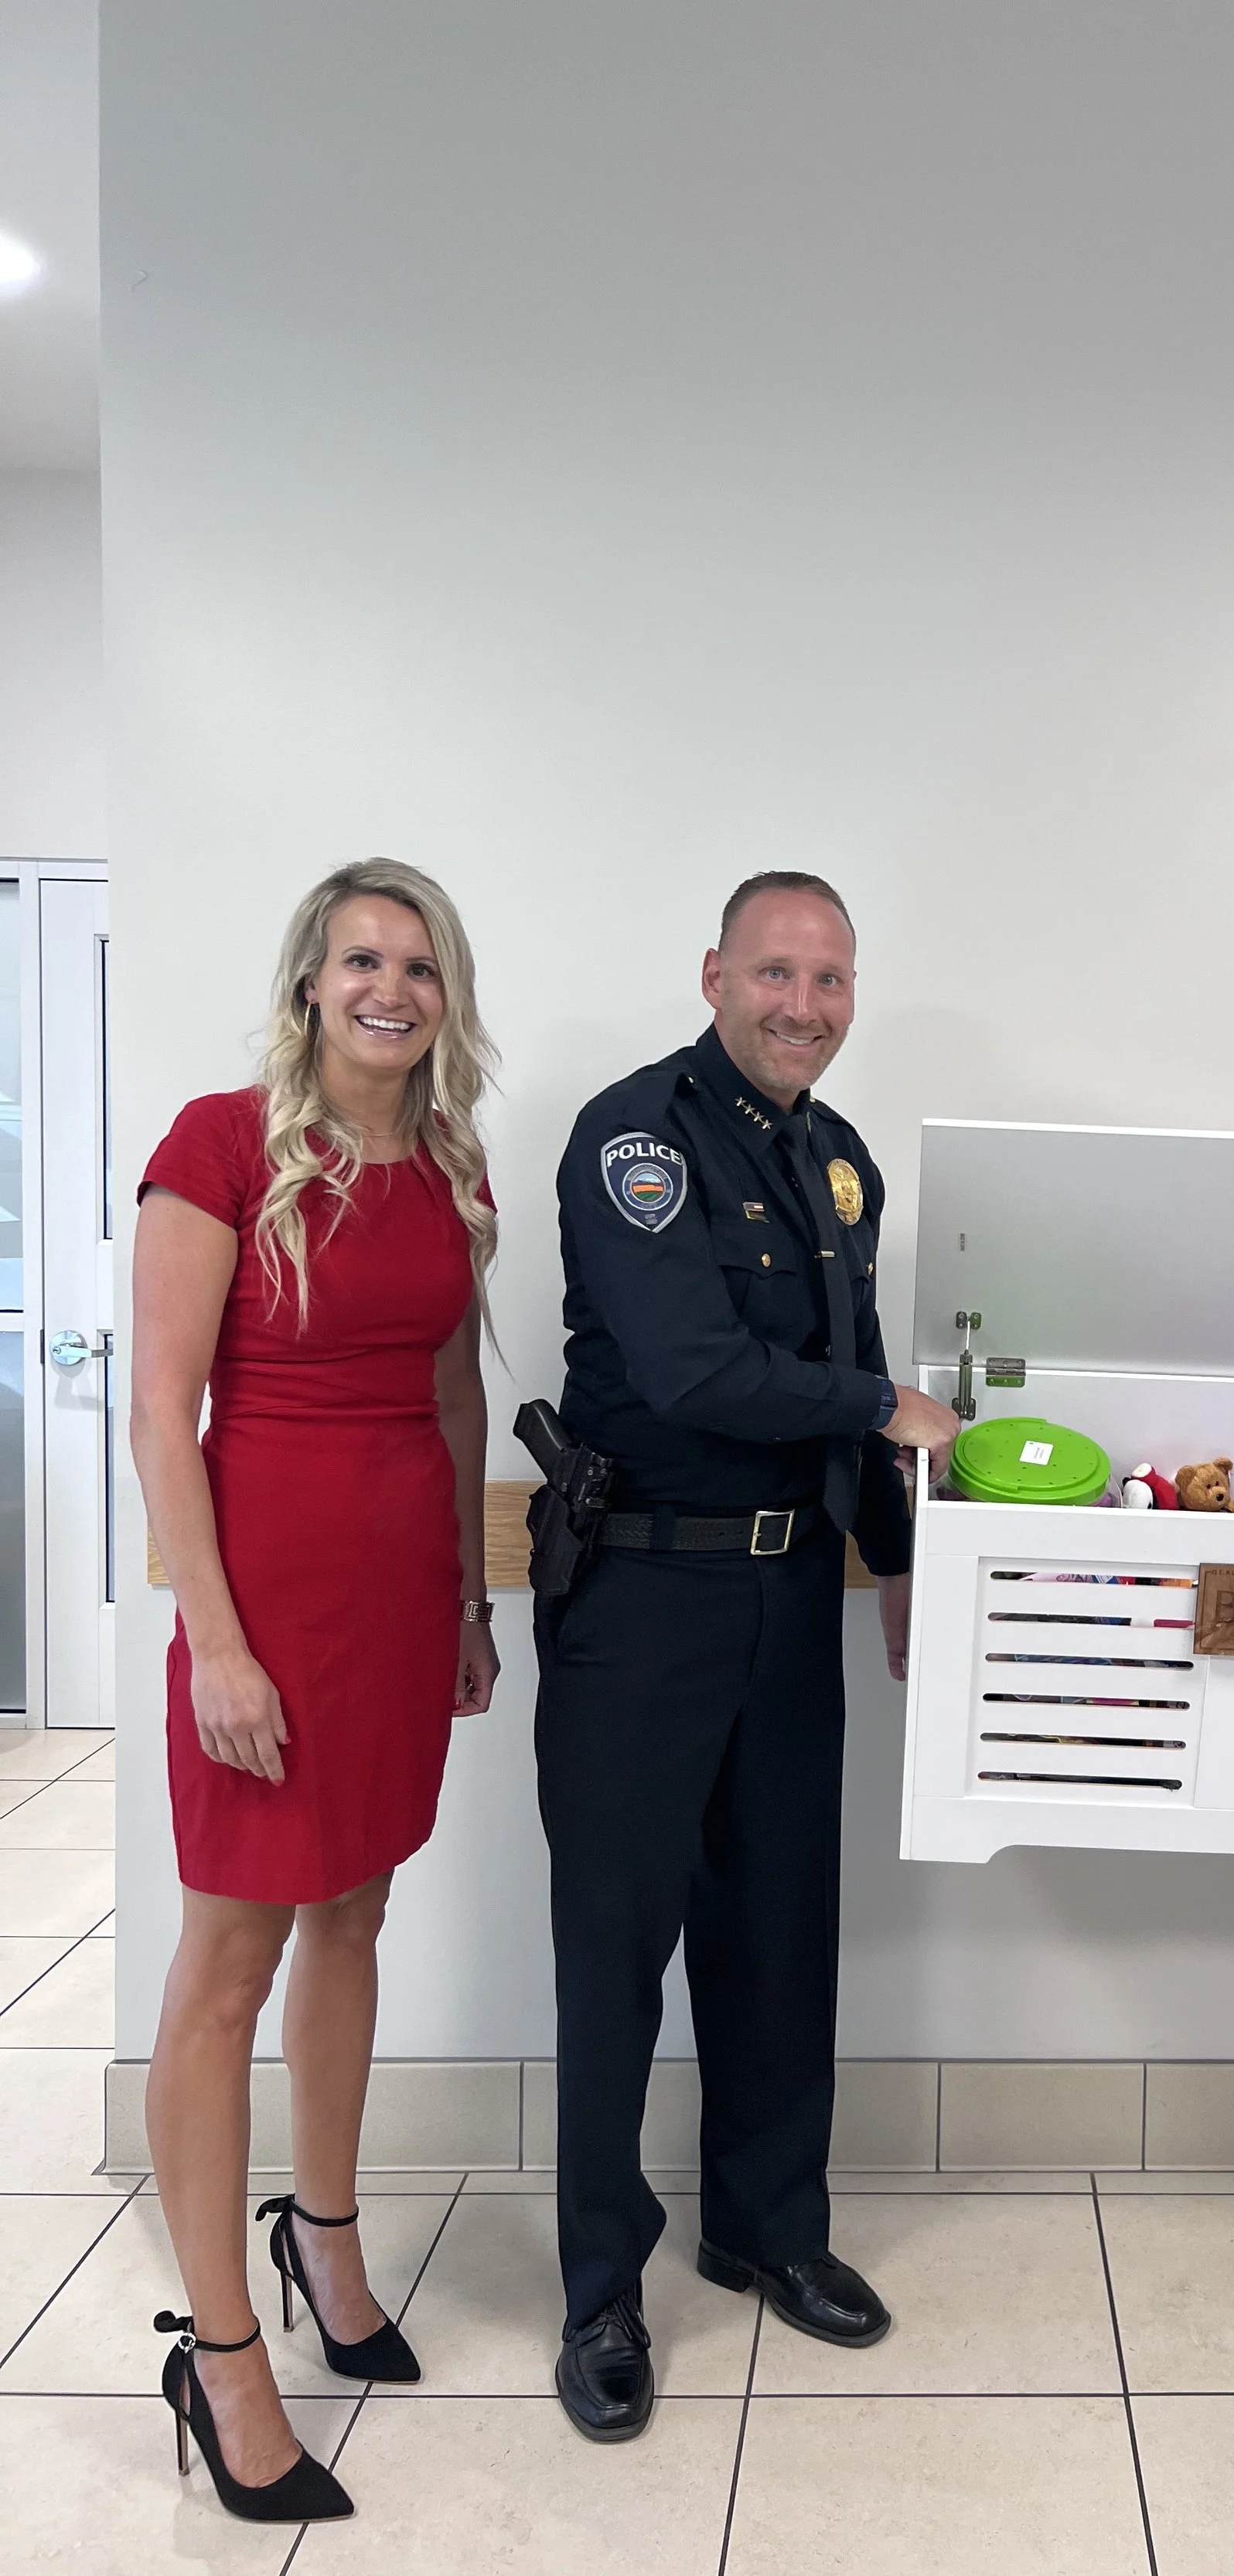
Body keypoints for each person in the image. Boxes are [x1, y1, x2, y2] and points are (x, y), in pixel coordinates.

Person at [534, 869, 957, 2442]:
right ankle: (597, 2290)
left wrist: (897, 1560)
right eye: (776, 972)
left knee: (779, 1934)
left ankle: (767, 2225)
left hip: (789, 1608)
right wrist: (882, 1415)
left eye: (832, 980)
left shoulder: (836, 1161)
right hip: (643, 1603)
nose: (804, 1005)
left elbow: (839, 1362)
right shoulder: (635, 1136)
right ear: (715, 973)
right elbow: (697, 1367)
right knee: (614, 1956)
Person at [131, 861, 499, 2522]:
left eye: (418, 963)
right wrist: (214, 1637)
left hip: (399, 1609)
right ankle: (218, 2356)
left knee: (355, 1914)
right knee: (228, 1962)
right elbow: (160, 1412)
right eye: (361, 957)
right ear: (309, 980)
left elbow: (446, 1396)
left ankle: (326, 2242)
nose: (390, 987)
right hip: (265, 1607)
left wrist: (467, 1599)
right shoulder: (220, 1143)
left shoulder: (447, 1163)